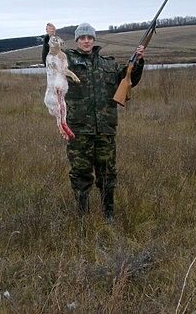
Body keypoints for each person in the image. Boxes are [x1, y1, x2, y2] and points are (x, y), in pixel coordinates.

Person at [42, 22, 145, 223]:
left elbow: (128, 79)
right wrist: (49, 40)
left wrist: (138, 62)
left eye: (89, 37)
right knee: (80, 174)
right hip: (78, 130)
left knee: (107, 173)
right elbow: (51, 58)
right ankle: (83, 216)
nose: (86, 41)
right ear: (77, 40)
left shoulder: (109, 64)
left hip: (105, 129)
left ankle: (108, 215)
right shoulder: (67, 60)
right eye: (82, 38)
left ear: (94, 39)